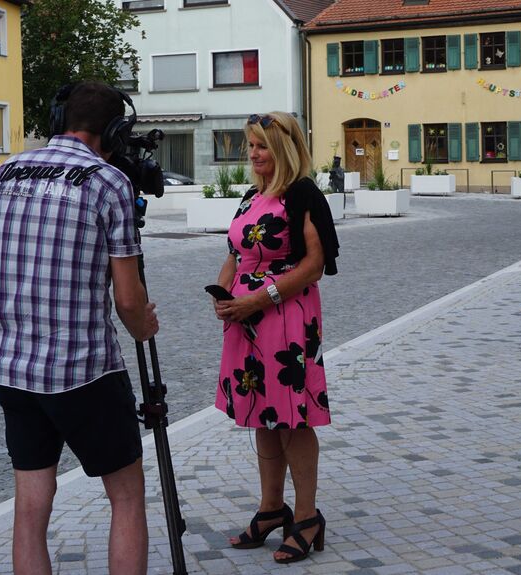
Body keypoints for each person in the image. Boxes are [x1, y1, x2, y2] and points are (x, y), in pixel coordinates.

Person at [0, 81, 158, 575]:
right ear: (114, 131)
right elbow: (128, 301)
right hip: (83, 372)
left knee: (30, 508)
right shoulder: (109, 183)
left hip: (13, 373)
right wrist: (145, 327)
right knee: (127, 497)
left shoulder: (3, 173)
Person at [211, 111, 339, 564]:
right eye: (250, 145)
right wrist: (225, 295)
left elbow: (313, 266)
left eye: (261, 145)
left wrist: (258, 299)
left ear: (283, 148)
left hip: (286, 318)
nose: (253, 153)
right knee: (261, 414)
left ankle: (306, 516)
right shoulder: (252, 195)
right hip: (245, 320)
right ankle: (271, 508)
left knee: (292, 417)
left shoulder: (302, 194)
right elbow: (235, 252)